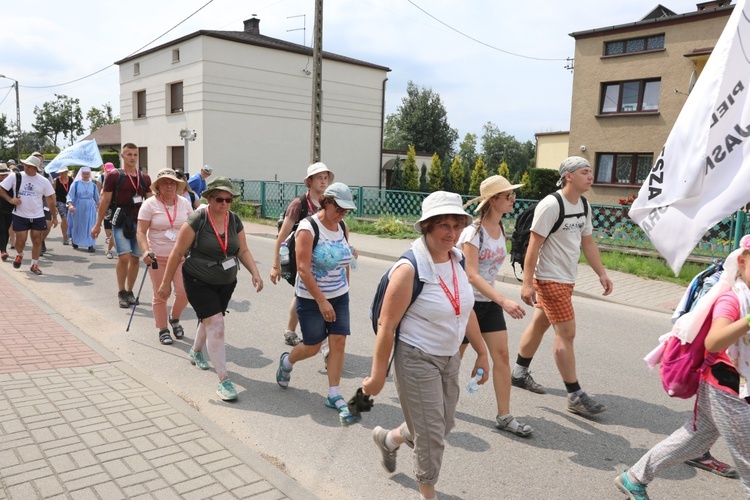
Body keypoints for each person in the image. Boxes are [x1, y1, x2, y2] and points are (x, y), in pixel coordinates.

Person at [362, 191, 490, 500]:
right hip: (417, 358)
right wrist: (378, 376)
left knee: (442, 425)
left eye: (457, 224)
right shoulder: (410, 269)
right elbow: (387, 325)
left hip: (449, 358)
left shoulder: (455, 259)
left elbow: (465, 307)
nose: (452, 233)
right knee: (432, 437)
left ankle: (390, 439)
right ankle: (427, 494)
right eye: (443, 225)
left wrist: (482, 351)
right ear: (427, 227)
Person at [616, 235, 750, 499]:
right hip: (726, 390)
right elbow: (713, 341)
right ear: (743, 262)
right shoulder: (732, 300)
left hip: (727, 388)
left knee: (694, 439)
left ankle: (633, 478)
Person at [511, 156, 613, 417]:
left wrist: (601, 273)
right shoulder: (551, 205)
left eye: (591, 172)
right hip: (549, 278)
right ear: (568, 176)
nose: (591, 176)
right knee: (566, 334)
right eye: (585, 172)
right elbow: (533, 246)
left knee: (540, 323)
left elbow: (587, 242)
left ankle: (519, 373)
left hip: (567, 278)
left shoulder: (583, 205)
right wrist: (527, 283)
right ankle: (575, 395)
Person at [157, 177, 263, 401]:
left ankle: (195, 351)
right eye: (219, 199)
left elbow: (242, 250)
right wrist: (165, 283)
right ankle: (223, 380)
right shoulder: (198, 219)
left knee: (210, 319)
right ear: (210, 198)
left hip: (226, 281)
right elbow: (177, 252)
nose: (224, 203)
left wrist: (255, 272)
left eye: (228, 199)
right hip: (198, 279)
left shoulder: (234, 220)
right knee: (215, 322)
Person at [275, 182, 359, 425]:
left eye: (347, 209)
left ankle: (334, 394)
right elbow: (302, 268)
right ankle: (286, 362)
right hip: (311, 298)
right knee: (312, 346)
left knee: (339, 342)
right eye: (339, 208)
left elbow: (344, 260)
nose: (343, 213)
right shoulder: (308, 227)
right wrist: (322, 302)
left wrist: (347, 287)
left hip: (339, 295)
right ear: (327, 202)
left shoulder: (342, 226)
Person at [458, 175, 531, 436]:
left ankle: (504, 415)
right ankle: (436, 405)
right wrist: (503, 300)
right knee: (453, 359)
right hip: (465, 304)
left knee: (501, 356)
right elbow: (471, 274)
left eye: (513, 195)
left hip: (488, 303)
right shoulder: (472, 233)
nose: (513, 199)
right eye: (508, 196)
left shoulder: (500, 229)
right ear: (492, 201)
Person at [271, 162, 334, 347]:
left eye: (325, 178)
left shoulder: (328, 202)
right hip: (302, 258)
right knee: (303, 294)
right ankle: (305, 336)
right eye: (319, 178)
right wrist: (276, 265)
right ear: (310, 181)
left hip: (322, 260)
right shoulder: (299, 204)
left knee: (306, 294)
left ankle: (297, 333)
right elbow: (282, 236)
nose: (323, 182)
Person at [137, 168, 194, 345]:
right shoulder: (149, 204)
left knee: (184, 293)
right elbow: (140, 231)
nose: (169, 186)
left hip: (180, 257)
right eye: (165, 183)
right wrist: (145, 251)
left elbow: (193, 226)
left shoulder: (184, 203)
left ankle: (174, 318)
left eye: (172, 183)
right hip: (157, 257)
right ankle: (162, 329)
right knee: (161, 294)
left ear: (177, 186)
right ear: (158, 187)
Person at [91, 144, 152, 308]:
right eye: (129, 154)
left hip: (138, 221)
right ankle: (121, 291)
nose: (133, 157)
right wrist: (97, 225)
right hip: (120, 220)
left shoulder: (144, 177)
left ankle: (130, 291)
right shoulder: (114, 176)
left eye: (135, 154)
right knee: (124, 256)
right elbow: (105, 200)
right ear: (123, 156)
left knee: (135, 258)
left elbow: (151, 201)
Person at [0, 155, 58, 275]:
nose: (26, 167)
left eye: (30, 166)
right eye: (25, 165)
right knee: (20, 241)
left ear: (36, 168)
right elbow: (1, 189)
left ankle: (34, 264)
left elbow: (50, 200)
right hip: (20, 214)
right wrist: (10, 199)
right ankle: (19, 254)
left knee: (37, 240)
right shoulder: (15, 176)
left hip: (38, 215)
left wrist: (54, 217)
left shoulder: (43, 181)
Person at [66, 167, 100, 252]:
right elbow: (70, 195)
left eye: (87, 174)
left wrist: (100, 207)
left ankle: (90, 244)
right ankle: (75, 240)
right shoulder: (76, 184)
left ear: (90, 174)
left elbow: (97, 198)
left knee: (90, 225)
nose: (86, 175)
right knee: (78, 225)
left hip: (90, 207)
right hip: (78, 206)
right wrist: (70, 205)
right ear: (81, 174)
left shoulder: (93, 185)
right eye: (84, 173)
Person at [53, 166, 72, 246]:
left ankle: (70, 235)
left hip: (70, 202)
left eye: (65, 173)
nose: (63, 175)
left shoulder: (71, 179)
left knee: (70, 219)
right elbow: (53, 193)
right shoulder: (56, 181)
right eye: (62, 173)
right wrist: (54, 205)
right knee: (64, 219)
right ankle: (65, 237)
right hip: (60, 201)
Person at [101, 162, 117, 259]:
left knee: (115, 231)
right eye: (108, 171)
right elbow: (102, 195)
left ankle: (112, 250)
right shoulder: (103, 179)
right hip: (108, 206)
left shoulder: (117, 178)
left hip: (118, 207)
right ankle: (109, 250)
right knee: (113, 230)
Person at [0, 163, 14, 261]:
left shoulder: (12, 183)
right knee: (1, 229)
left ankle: (3, 248)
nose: (1, 176)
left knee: (6, 229)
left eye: (4, 175)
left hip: (9, 210)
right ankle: (3, 251)